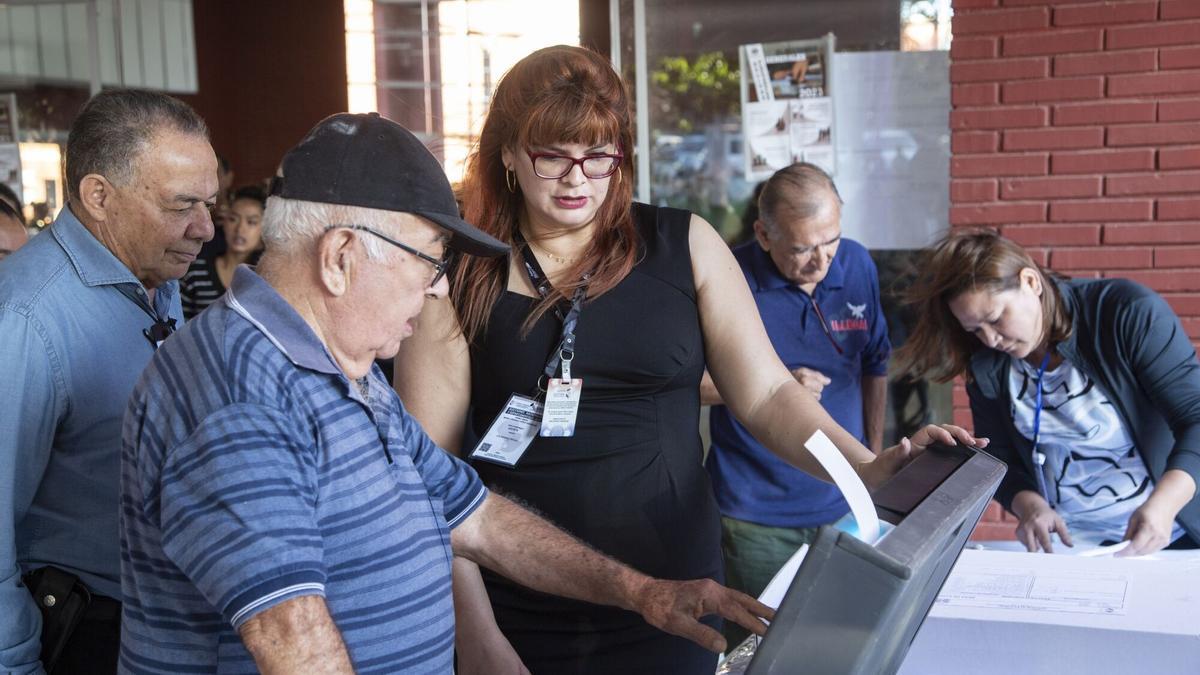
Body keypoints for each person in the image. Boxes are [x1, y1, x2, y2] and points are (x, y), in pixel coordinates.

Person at [392, 45, 980, 675]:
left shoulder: (683, 244)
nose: (577, 179)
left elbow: (766, 394)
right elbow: (433, 480)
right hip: (516, 600)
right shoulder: (459, 277)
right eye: (552, 156)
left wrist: (860, 469)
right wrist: (475, 632)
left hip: (675, 589)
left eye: (598, 156)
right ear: (507, 153)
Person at [118, 112, 773, 674]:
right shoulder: (242, 393)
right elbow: (294, 645)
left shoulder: (346, 370)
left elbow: (477, 517)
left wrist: (643, 592)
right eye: (431, 259)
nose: (439, 288)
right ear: (341, 255)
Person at [0, 89, 216, 674]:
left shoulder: (158, 277)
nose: (206, 228)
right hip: (84, 634)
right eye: (182, 205)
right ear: (99, 195)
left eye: (210, 203)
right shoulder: (26, 317)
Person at [897, 230, 1200, 556]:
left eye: (996, 318)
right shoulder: (987, 361)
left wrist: (1165, 505)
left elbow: (1194, 417)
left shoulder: (1125, 311)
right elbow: (999, 456)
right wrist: (1030, 505)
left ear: (1031, 281)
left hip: (1174, 533)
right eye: (974, 329)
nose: (990, 340)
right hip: (1071, 547)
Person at [700, 162, 890, 644]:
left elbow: (875, 363)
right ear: (764, 235)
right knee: (763, 647)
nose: (822, 262)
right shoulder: (728, 277)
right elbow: (687, 384)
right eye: (803, 248)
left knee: (842, 640)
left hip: (846, 503)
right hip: (757, 513)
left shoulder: (858, 263)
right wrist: (772, 381)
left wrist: (873, 451)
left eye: (831, 242)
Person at [179, 185, 267, 318]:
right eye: (233, 219)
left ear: (263, 230)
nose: (240, 229)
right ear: (224, 223)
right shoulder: (195, 271)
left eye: (251, 222)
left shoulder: (266, 279)